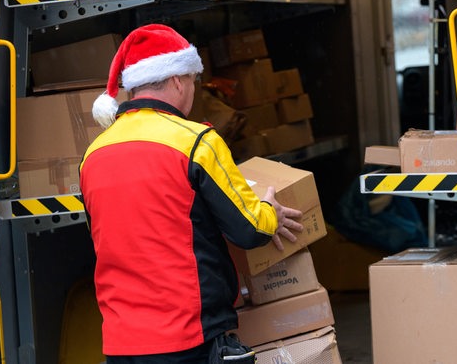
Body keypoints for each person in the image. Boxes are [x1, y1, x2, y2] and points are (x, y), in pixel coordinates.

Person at [79, 24, 304, 363]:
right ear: (177, 81)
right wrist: (269, 210)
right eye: (194, 82)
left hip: (121, 342)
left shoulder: (93, 154)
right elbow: (250, 229)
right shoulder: (196, 141)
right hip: (187, 338)